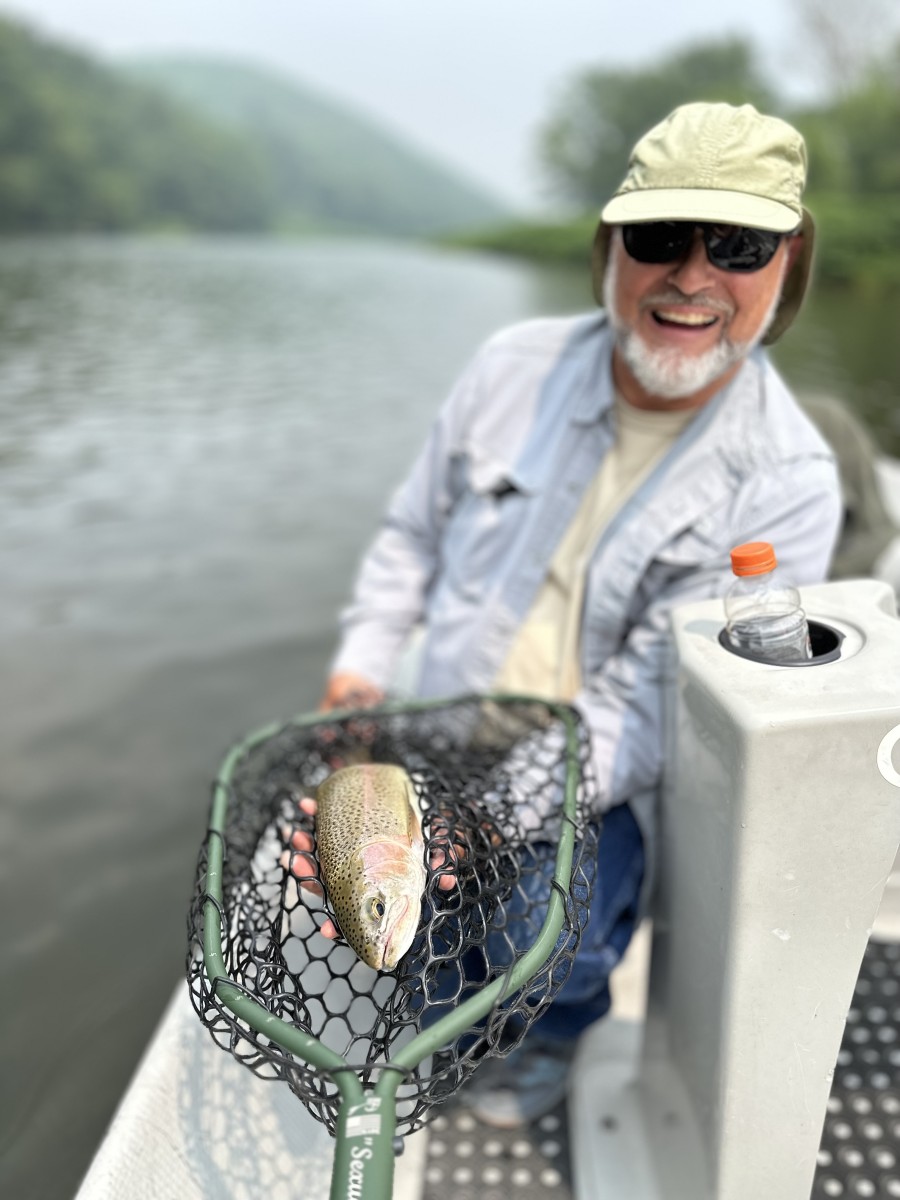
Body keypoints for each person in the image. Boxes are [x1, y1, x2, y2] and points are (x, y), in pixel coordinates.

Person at [295, 102, 842, 1128]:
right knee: (389, 911)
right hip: (440, 716)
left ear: (789, 261)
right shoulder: (510, 368)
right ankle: (434, 1004)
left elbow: (643, 705)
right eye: (657, 238)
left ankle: (546, 1038)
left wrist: (480, 823)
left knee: (553, 940)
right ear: (609, 246)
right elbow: (410, 537)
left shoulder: (789, 480)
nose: (691, 275)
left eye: (737, 245)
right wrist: (361, 673)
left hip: (606, 769)